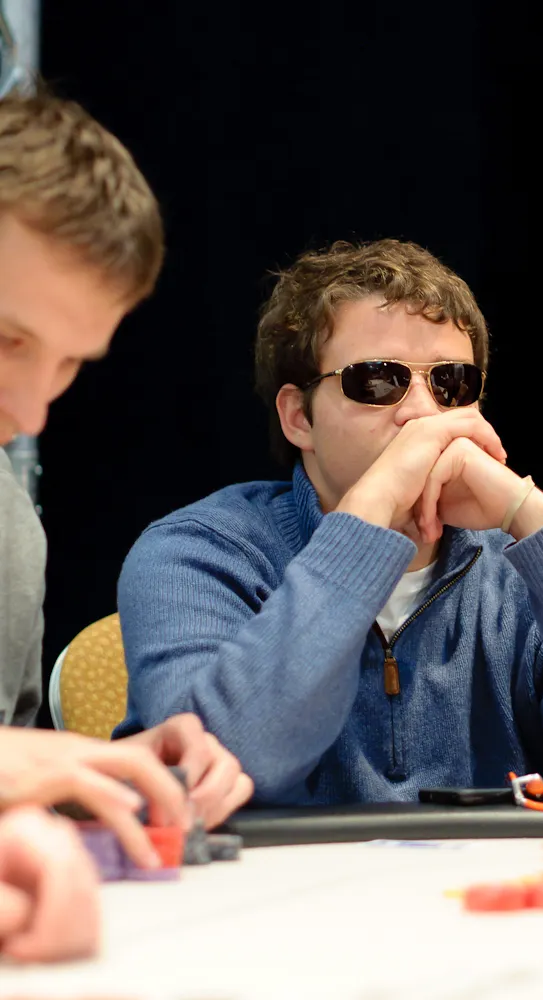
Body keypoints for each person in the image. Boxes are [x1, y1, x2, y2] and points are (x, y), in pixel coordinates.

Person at [116, 238, 543, 806]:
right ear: (299, 418)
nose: (421, 412)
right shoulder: (197, 552)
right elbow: (216, 768)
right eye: (376, 380)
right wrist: (371, 513)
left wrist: (536, 518)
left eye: (452, 383)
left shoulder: (516, 571)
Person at [0, 89, 253, 962]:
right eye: (8, 339)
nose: (31, 411)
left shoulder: (10, 531)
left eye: (71, 362)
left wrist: (105, 774)